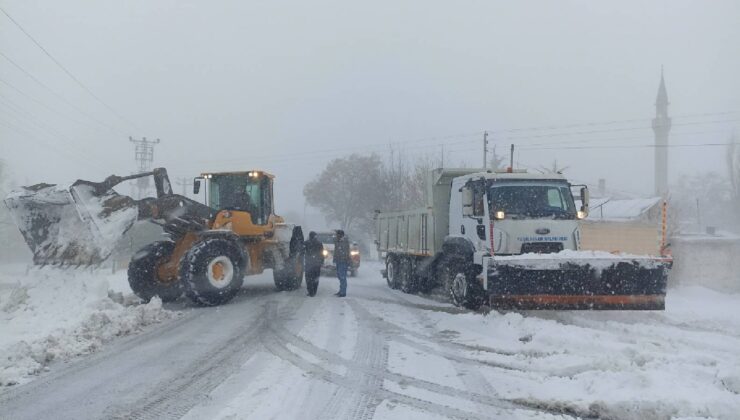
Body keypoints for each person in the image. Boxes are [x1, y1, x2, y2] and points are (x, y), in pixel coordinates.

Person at [303, 231, 324, 297]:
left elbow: (302, 250)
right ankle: (314, 291)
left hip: (309, 263)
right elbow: (322, 254)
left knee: (308, 278)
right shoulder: (319, 243)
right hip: (317, 264)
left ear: (309, 236)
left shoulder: (306, 243)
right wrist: (322, 262)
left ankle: (310, 291)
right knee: (316, 278)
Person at [333, 229, 350, 297]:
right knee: (340, 276)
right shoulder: (338, 241)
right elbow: (336, 251)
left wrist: (343, 259)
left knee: (342, 277)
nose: (336, 235)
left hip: (343, 261)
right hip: (338, 261)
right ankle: (341, 291)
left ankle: (343, 292)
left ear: (340, 235)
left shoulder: (344, 241)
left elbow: (344, 252)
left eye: (337, 234)